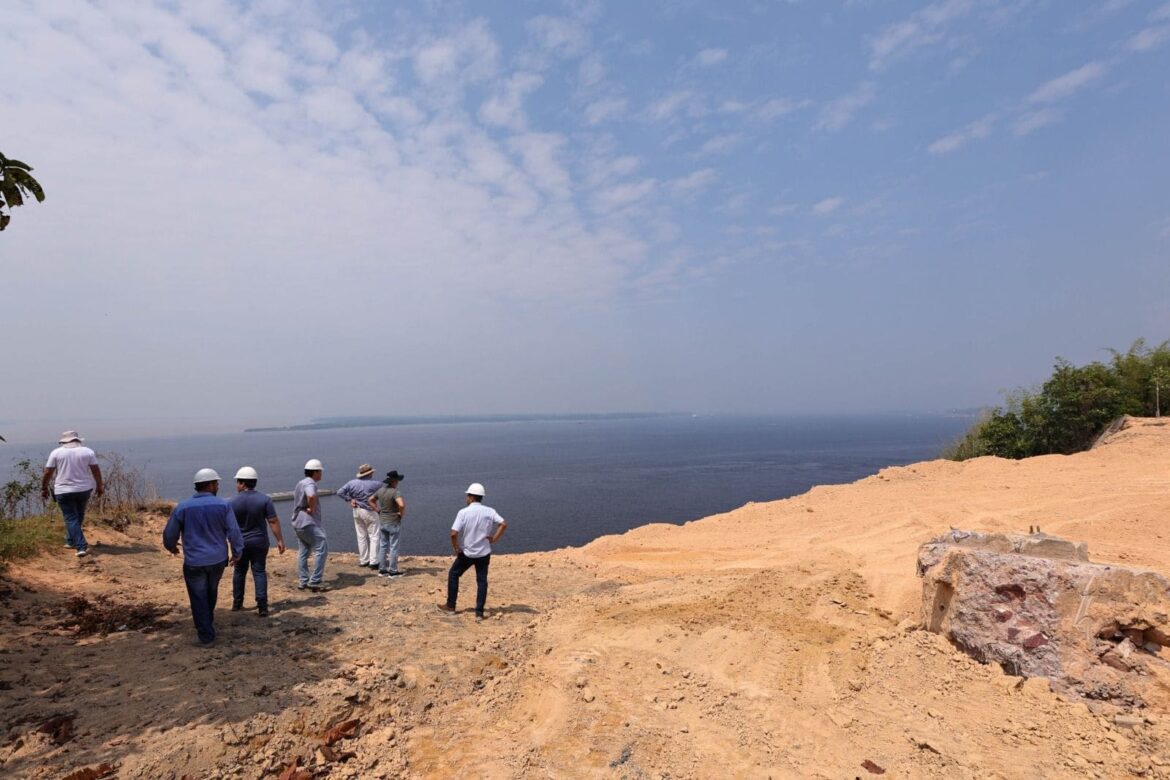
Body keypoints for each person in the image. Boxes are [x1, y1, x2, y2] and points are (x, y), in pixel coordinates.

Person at [163, 468, 245, 647]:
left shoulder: (183, 506)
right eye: (216, 483)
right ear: (209, 485)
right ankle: (207, 623)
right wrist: (237, 551)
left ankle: (206, 633)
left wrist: (171, 547)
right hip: (217, 559)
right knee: (211, 590)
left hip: (194, 561)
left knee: (198, 595)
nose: (218, 486)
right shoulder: (223, 505)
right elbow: (233, 531)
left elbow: (170, 533)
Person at [439, 482, 507, 621]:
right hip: (484, 553)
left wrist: (456, 547)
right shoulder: (490, 511)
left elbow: (453, 533)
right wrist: (494, 538)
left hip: (468, 553)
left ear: (470, 497)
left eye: (467, 496)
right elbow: (503, 524)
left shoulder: (463, 512)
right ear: (481, 497)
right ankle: (479, 613)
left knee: (454, 574)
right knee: (482, 581)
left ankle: (451, 607)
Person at [229, 466, 286, 617]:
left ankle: (237, 603)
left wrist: (231, 546)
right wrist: (280, 540)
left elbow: (229, 527)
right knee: (259, 571)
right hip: (260, 542)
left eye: (237, 482)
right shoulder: (264, 499)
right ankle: (262, 606)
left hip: (240, 543)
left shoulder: (232, 502)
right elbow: (273, 521)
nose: (236, 485)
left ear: (242, 484)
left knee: (239, 571)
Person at [41, 431, 104, 558]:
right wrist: (99, 485)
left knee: (71, 518)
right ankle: (70, 541)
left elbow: (48, 472)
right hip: (84, 489)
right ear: (77, 440)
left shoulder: (56, 452)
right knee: (78, 515)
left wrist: (44, 488)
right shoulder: (88, 452)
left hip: (64, 491)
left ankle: (80, 546)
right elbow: (96, 470)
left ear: (64, 441)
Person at [336, 464, 383, 569]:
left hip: (356, 511)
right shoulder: (375, 484)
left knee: (361, 536)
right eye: (372, 472)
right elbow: (385, 486)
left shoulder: (351, 483)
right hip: (369, 511)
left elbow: (339, 492)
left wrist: (350, 499)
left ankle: (364, 560)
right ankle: (374, 561)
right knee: (374, 536)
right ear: (370, 473)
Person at [293, 459, 329, 592]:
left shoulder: (300, 483)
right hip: (308, 522)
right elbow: (312, 496)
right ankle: (315, 580)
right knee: (322, 547)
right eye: (320, 471)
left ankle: (303, 580)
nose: (321, 474)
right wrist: (312, 509)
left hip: (298, 522)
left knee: (303, 551)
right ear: (315, 472)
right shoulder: (310, 483)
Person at [370, 470, 406, 577]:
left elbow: (370, 500)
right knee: (394, 547)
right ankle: (393, 571)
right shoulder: (395, 492)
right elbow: (402, 504)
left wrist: (377, 510)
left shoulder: (380, 490)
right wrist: (401, 513)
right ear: (395, 481)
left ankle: (382, 570)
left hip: (383, 521)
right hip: (393, 521)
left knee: (383, 546)